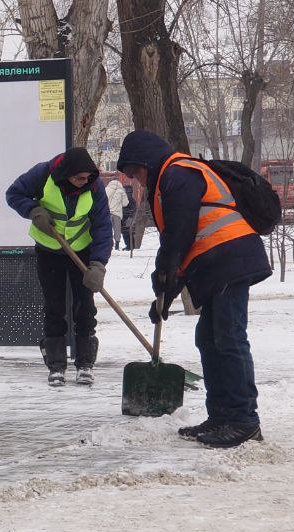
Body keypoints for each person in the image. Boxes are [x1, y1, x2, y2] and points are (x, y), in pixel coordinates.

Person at [116, 129, 270, 448]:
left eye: (134, 172)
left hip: (231, 257)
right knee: (209, 338)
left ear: (146, 162)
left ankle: (244, 420)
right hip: (216, 261)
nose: (136, 180)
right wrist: (165, 294)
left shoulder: (178, 174)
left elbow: (179, 235)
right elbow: (184, 246)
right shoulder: (169, 180)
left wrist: (165, 275)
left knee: (228, 338)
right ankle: (221, 415)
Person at [6, 147, 113, 387]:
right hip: (49, 251)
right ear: (66, 174)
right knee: (54, 306)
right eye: (79, 178)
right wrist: (33, 210)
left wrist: (98, 265)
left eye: (87, 177)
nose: (84, 182)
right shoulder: (43, 175)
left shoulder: (95, 187)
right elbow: (14, 194)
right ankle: (56, 366)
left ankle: (85, 364)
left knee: (85, 307)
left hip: (81, 251)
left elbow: (103, 227)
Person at [104, 174, 129, 250]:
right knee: (117, 230)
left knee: (107, 229)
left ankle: (107, 244)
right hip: (117, 214)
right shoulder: (121, 191)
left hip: (107, 213)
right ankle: (117, 245)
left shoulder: (106, 189)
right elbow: (125, 204)